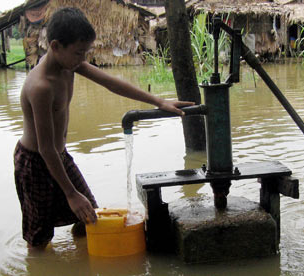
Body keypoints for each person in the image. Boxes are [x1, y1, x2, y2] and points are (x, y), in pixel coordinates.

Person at [14, 7, 194, 249]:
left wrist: (159, 101)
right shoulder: (41, 87)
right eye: (79, 52)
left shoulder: (70, 66)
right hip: (35, 162)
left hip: (60, 156)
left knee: (88, 214)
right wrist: (69, 193)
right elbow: (45, 149)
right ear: (56, 47)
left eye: (85, 52)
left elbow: (112, 84)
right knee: (39, 237)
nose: (83, 59)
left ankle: (82, 258)